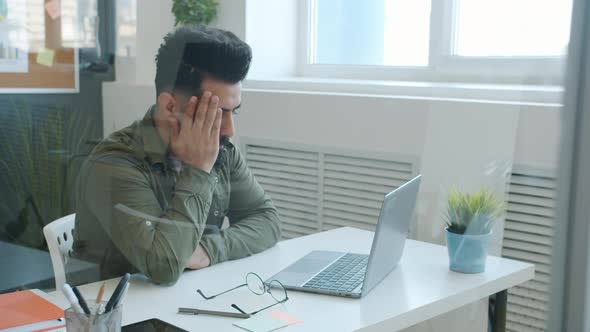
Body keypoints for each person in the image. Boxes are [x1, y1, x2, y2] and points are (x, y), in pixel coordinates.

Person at [71, 26, 281, 285]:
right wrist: (198, 168)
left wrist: (208, 250)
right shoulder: (114, 163)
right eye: (215, 113)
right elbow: (164, 266)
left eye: (233, 112)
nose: (229, 129)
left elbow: (266, 219)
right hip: (117, 316)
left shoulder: (222, 150)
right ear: (170, 106)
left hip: (190, 301)